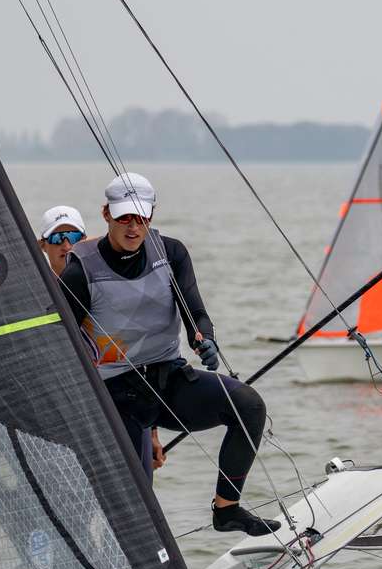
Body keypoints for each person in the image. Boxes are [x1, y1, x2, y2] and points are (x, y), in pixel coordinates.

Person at [59, 173, 281, 536]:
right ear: (106, 214)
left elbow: (195, 311)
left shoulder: (171, 253)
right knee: (140, 503)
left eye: (141, 217)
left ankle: (227, 510)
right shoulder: (80, 271)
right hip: (117, 397)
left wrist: (204, 339)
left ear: (151, 214)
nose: (133, 227)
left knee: (249, 406)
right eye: (124, 218)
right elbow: (61, 343)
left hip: (168, 382)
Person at [38, 204, 161, 483]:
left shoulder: (107, 288)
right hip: (70, 413)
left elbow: (141, 359)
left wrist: (153, 432)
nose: (66, 245)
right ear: (42, 246)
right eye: (57, 238)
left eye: (74, 237)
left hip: (124, 403)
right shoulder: (36, 298)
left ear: (85, 241)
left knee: (139, 487)